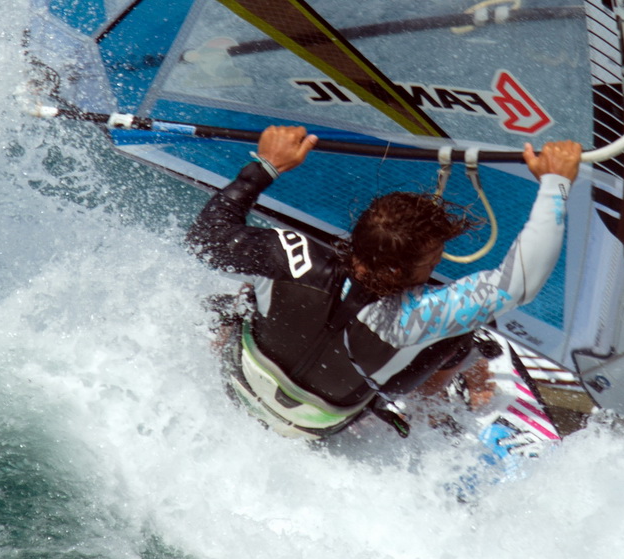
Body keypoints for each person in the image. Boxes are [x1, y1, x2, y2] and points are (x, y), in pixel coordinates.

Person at [187, 124, 583, 438]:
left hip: (239, 381)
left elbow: (205, 238)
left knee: (245, 293)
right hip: (315, 426)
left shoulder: (292, 256)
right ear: (411, 268)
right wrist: (555, 184)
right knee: (461, 332)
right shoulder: (419, 317)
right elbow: (519, 284)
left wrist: (267, 164)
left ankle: (220, 343)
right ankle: (440, 405)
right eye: (435, 257)